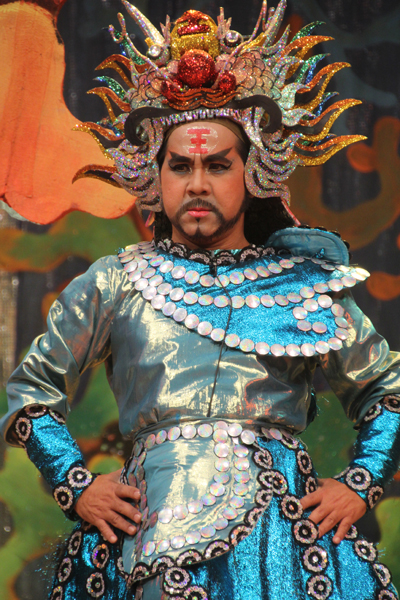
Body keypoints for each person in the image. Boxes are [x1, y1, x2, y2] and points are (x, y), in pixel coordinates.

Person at [2, 2, 400, 599]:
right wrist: (76, 484)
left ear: (252, 172)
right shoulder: (116, 282)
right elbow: (31, 391)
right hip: (147, 537)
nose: (196, 184)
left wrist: (361, 483)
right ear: (155, 175)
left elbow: (388, 391)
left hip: (281, 546)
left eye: (217, 165)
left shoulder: (303, 282)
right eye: (179, 166)